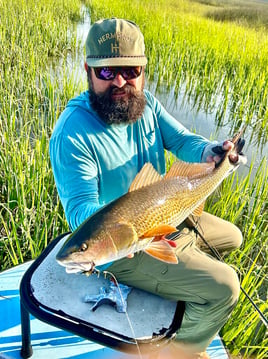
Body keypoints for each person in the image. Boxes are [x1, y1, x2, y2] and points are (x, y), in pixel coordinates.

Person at [49, 18, 243, 358]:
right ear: (88, 70)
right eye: (107, 73)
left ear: (143, 70)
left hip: (164, 210)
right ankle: (183, 351)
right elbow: (80, 212)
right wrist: (124, 232)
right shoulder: (72, 133)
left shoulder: (147, 103)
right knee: (226, 287)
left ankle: (180, 271)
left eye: (131, 70)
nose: (121, 81)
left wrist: (212, 153)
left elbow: (182, 139)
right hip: (123, 248)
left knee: (234, 237)